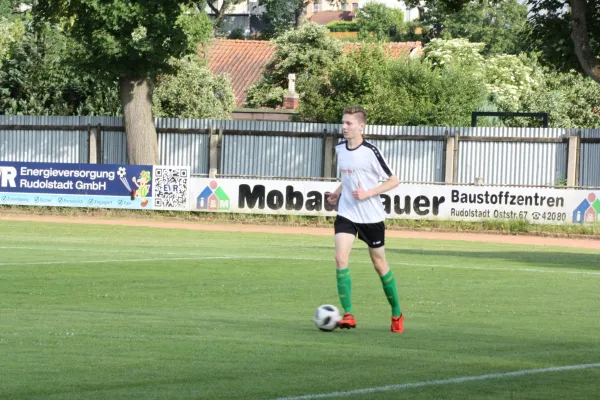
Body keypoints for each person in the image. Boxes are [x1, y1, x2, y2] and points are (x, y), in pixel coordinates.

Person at [326, 106, 403, 333]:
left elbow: (393, 180)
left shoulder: (371, 151)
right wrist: (337, 193)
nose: (344, 127)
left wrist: (368, 193)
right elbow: (347, 177)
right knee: (340, 258)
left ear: (361, 126)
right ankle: (348, 314)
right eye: (343, 122)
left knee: (379, 264)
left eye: (349, 123)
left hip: (371, 216)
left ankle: (397, 312)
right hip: (347, 213)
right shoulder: (340, 148)